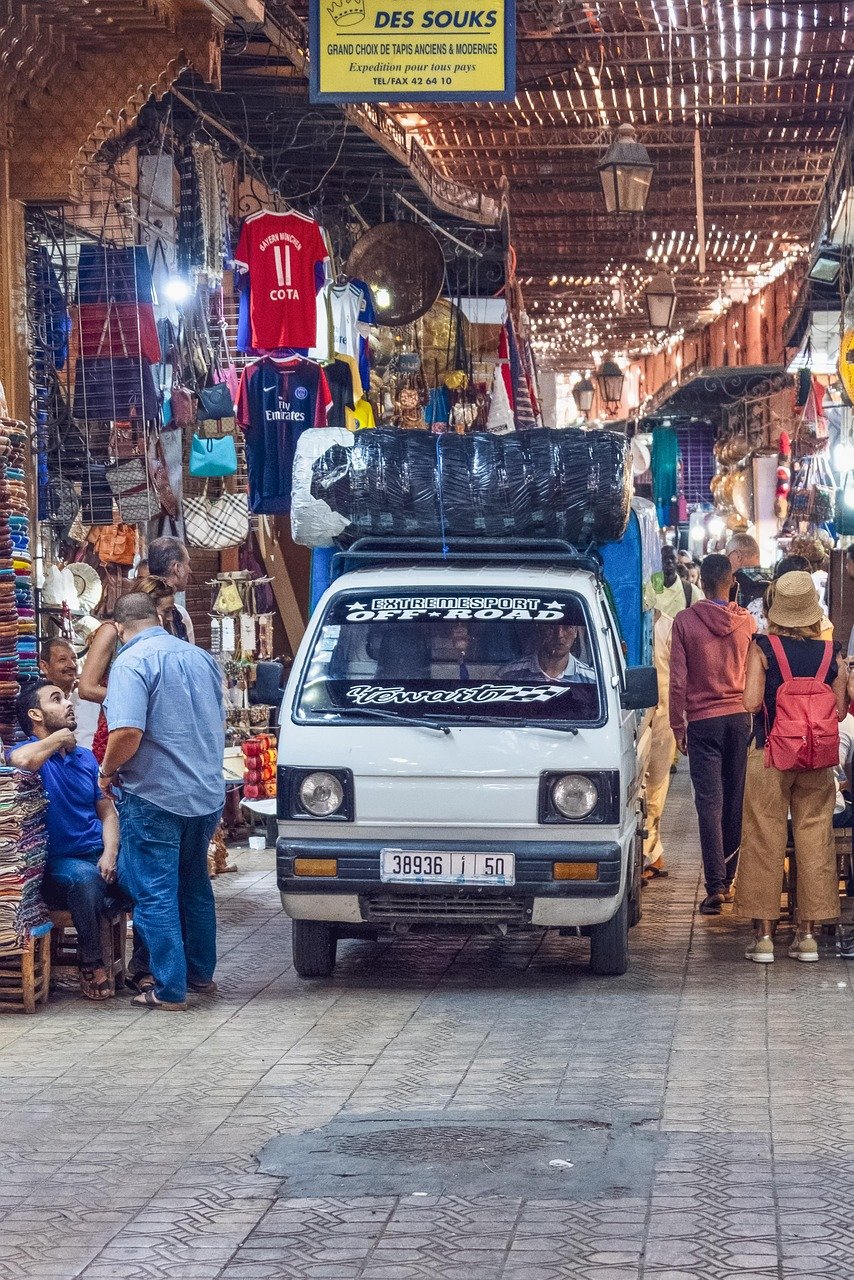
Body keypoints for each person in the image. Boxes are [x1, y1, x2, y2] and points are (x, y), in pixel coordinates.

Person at [99, 593, 225, 1010]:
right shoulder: (200, 657)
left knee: (155, 893)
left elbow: (127, 732)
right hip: (205, 794)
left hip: (155, 796)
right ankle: (200, 975)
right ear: (157, 617)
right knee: (194, 885)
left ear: (119, 629)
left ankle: (170, 989)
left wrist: (106, 769)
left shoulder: (131, 662)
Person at [9, 681, 150, 1001]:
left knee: (146, 879)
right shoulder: (27, 753)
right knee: (84, 880)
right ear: (36, 714)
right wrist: (58, 737)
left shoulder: (85, 759)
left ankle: (142, 967)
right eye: (56, 699)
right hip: (57, 865)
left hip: (97, 854)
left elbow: (108, 814)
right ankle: (92, 962)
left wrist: (111, 853)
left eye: (66, 697)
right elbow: (21, 760)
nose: (68, 702)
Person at [735, 572, 848, 963]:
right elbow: (840, 708)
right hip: (816, 757)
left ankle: (764, 937)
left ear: (776, 609)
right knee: (815, 838)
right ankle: (808, 936)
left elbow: (750, 701)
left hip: (770, 752)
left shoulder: (763, 646)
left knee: (763, 836)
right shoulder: (831, 652)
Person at [670, 553, 756, 915]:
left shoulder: (685, 622)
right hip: (740, 718)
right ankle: (730, 878)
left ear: (700, 583)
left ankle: (715, 885)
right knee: (735, 799)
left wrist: (678, 725)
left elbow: (677, 682)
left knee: (709, 803)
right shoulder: (748, 623)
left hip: (703, 722)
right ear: (731, 582)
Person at [79, 575, 182, 764]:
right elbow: (86, 688)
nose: (169, 618)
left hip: (153, 732)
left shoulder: (164, 634)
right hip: (118, 728)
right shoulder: (111, 632)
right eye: (166, 611)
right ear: (146, 608)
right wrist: (134, 698)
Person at [642, 612, 675, 880]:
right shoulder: (625, 623)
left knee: (656, 787)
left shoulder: (668, 626)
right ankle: (647, 852)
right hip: (636, 715)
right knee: (639, 788)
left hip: (664, 716)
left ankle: (651, 851)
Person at [501, 617, 596, 684]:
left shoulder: (592, 679)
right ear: (540, 629)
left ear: (575, 632)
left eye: (567, 627)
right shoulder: (508, 675)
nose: (559, 635)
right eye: (552, 626)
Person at [146, 536, 195, 643]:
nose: (190, 570)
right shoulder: (180, 614)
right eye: (187, 564)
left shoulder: (134, 610)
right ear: (177, 568)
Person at [653, 546, 701, 619]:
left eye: (672, 558)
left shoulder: (690, 591)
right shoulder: (649, 590)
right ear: (658, 561)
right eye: (664, 558)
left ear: (677, 561)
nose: (669, 561)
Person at [725, 532, 761, 606]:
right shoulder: (777, 582)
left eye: (728, 557)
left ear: (738, 556)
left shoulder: (733, 583)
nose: (727, 562)